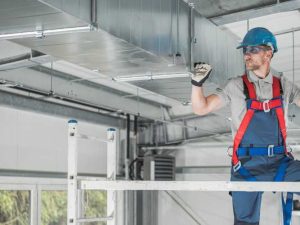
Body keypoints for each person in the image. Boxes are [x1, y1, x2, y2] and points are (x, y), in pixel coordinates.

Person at [191, 27, 300, 225]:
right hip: (246, 166)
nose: (247, 55)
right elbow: (202, 108)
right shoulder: (234, 86)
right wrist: (196, 84)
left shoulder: (283, 85)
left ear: (269, 53)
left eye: (253, 50)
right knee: (244, 222)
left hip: (279, 162)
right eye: (244, 51)